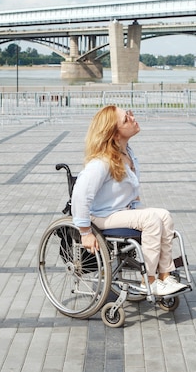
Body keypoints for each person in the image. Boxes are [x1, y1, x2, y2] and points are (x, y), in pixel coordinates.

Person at [71, 105, 187, 296]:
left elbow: (131, 192)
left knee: (164, 216)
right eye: (126, 119)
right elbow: (80, 195)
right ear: (115, 134)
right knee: (150, 219)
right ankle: (149, 280)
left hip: (119, 212)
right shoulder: (101, 163)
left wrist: (137, 208)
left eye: (130, 114)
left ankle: (165, 275)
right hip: (100, 215)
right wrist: (85, 232)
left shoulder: (128, 155)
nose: (133, 118)